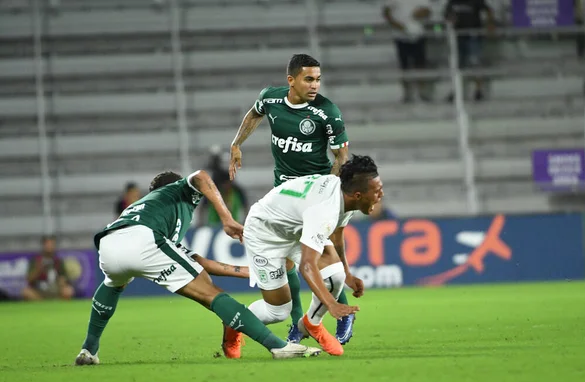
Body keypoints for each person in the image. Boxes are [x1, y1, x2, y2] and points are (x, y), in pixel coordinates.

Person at [74, 169, 320, 365]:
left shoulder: (147, 209)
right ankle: (278, 347)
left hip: (109, 242)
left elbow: (197, 262)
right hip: (144, 240)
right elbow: (201, 176)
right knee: (212, 295)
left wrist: (252, 272)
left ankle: (89, 350)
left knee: (113, 284)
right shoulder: (177, 193)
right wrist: (226, 218)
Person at [228, 54, 357, 345]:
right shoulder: (271, 99)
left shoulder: (327, 112)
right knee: (287, 260)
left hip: (315, 194)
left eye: (318, 79)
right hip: (284, 192)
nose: (315, 85)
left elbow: (341, 156)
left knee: (323, 255)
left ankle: (343, 313)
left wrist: (330, 189)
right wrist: (236, 144)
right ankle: (298, 324)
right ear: (291, 80)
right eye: (309, 79)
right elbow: (253, 114)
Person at [222, 155, 383, 357]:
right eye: (377, 191)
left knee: (336, 276)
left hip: (296, 228)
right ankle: (234, 322)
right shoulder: (325, 210)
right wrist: (332, 305)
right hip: (265, 232)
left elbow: (337, 235)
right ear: (358, 195)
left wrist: (348, 273)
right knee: (278, 311)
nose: (381, 195)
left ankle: (311, 324)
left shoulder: (346, 193)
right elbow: (307, 266)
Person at [444, 0, 495, 102]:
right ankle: (456, 90)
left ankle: (478, 90)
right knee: (457, 64)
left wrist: (490, 23)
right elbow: (446, 14)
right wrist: (451, 19)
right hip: (458, 35)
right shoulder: (452, 1)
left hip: (473, 34)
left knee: (475, 62)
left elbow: (488, 10)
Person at [382, 0, 432, 102]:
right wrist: (397, 25)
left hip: (418, 33)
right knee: (404, 66)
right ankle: (407, 93)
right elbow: (386, 12)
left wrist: (419, 14)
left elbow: (428, 10)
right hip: (400, 35)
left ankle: (422, 92)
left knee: (420, 64)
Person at [22, 235, 75, 301]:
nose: (49, 246)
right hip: (39, 290)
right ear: (43, 245)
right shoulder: (35, 260)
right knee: (26, 292)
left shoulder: (58, 261)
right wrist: (38, 270)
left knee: (68, 290)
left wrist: (62, 281)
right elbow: (29, 279)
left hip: (55, 289)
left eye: (51, 244)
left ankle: (56, 302)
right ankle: (42, 303)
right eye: (47, 244)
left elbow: (64, 278)